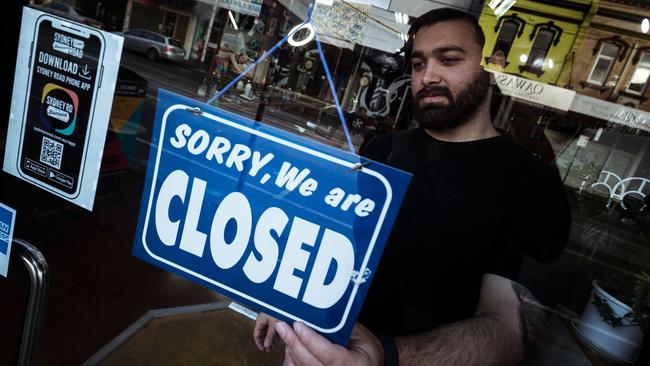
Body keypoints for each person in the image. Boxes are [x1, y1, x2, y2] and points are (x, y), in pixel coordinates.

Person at [253, 8, 571, 365]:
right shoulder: (383, 149)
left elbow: (510, 332)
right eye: (419, 64)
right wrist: (291, 299)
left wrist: (385, 355)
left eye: (449, 59)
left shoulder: (527, 180)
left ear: (493, 67)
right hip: (321, 347)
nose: (428, 75)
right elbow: (343, 249)